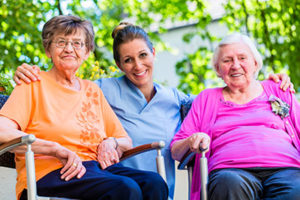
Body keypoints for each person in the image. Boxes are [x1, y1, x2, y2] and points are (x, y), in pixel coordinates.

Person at [13, 23, 294, 199]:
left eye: (143, 55)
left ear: (154, 53)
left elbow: (227, 100)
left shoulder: (178, 98)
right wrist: (25, 71)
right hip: (101, 175)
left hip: (126, 178)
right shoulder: (101, 88)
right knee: (128, 189)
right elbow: (60, 85)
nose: (137, 65)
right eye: (128, 60)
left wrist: (271, 83)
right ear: (119, 66)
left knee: (151, 183)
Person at [0, 15, 168, 200]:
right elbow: (2, 130)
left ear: (87, 52)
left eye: (77, 43)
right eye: (61, 42)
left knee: (154, 183)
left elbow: (124, 140)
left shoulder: (92, 90)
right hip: (51, 172)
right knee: (124, 188)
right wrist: (55, 149)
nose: (69, 49)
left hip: (94, 170)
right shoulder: (32, 84)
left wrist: (111, 142)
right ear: (48, 50)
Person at [171, 33, 300, 200]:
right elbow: (175, 150)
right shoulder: (207, 98)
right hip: (230, 171)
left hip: (286, 168)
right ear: (218, 69)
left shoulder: (278, 89)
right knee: (228, 184)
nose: (235, 65)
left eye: (242, 58)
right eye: (227, 60)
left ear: (255, 63)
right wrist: (192, 140)